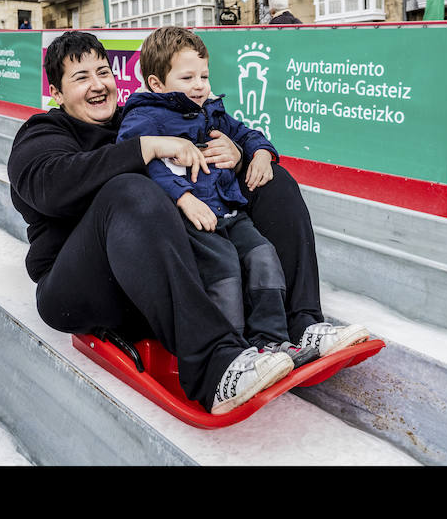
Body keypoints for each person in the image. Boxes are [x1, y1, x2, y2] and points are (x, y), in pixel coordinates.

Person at [7, 30, 367, 415]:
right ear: (58, 93)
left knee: (270, 179)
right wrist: (148, 148)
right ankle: (217, 367)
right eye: (81, 78)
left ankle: (301, 323)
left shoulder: (142, 115)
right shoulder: (45, 132)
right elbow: (48, 185)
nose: (98, 85)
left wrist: (239, 155)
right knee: (129, 188)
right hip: (82, 287)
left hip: (157, 285)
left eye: (104, 72)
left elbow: (215, 141)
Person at [116, 27, 319, 368]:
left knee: (262, 254)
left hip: (226, 211)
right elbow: (141, 164)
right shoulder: (145, 117)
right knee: (224, 270)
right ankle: (231, 355)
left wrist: (261, 154)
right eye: (187, 77)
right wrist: (183, 198)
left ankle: (272, 341)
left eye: (204, 75)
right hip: (190, 219)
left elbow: (247, 133)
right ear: (156, 83)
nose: (200, 85)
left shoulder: (211, 111)